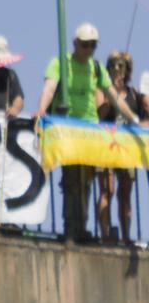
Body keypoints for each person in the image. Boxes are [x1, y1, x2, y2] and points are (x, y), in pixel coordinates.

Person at [33, 23, 141, 243]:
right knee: (72, 180)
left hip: (90, 132)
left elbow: (113, 97)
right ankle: (71, 227)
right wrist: (41, 111)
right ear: (75, 44)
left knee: (86, 181)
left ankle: (81, 227)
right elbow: (50, 88)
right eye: (85, 45)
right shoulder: (60, 63)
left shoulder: (96, 68)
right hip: (67, 130)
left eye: (92, 45)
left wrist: (134, 119)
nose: (89, 50)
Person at [98, 51, 140, 243]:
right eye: (114, 65)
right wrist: (110, 95)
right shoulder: (102, 90)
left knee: (125, 194)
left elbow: (140, 119)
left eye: (122, 65)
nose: (118, 69)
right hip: (106, 145)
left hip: (127, 149)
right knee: (107, 190)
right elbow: (100, 114)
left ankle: (125, 236)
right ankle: (106, 234)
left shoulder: (133, 94)